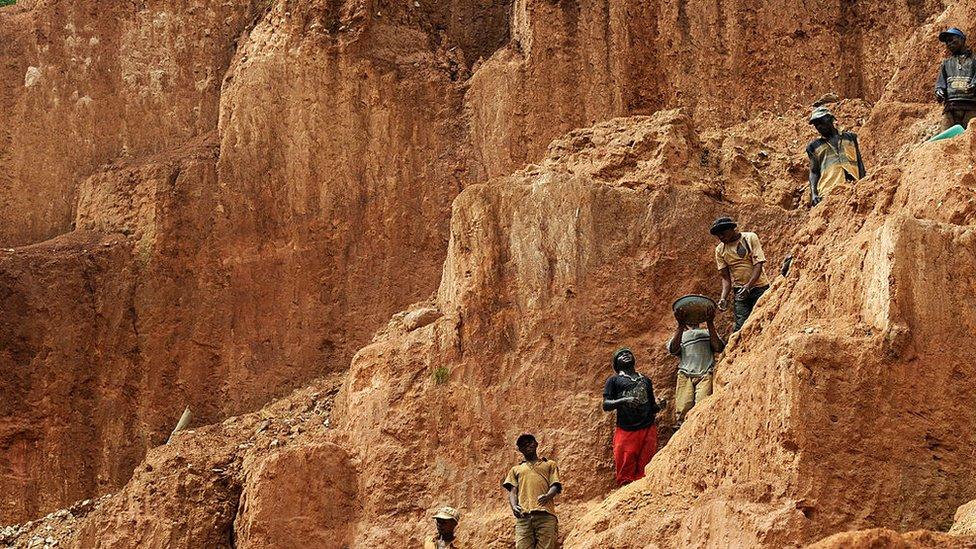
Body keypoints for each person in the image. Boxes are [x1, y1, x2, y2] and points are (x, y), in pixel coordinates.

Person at [602, 348, 660, 485]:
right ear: (616, 364)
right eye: (620, 355)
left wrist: (660, 405)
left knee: (646, 463)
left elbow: (652, 405)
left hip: (647, 427)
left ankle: (643, 490)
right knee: (625, 463)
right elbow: (606, 404)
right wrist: (624, 400)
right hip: (626, 429)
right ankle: (626, 492)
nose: (625, 355)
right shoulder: (614, 381)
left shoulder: (645, 380)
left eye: (628, 353)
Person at [502, 434, 562, 549]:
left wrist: (548, 495)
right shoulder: (516, 469)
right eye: (523, 445)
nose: (527, 445)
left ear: (536, 443)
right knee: (522, 546)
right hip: (524, 516)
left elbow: (555, 484)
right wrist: (514, 506)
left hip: (546, 514)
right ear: (520, 450)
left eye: (529, 442)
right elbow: (513, 492)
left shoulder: (549, 464)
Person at [668, 311, 725, 429]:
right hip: (685, 375)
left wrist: (710, 323)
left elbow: (718, 347)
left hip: (704, 374)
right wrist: (680, 326)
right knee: (683, 409)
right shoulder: (680, 336)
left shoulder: (706, 333)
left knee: (702, 410)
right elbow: (673, 349)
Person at [711, 217, 770, 332]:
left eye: (723, 233)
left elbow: (758, 264)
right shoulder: (720, 250)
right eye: (718, 236)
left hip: (760, 288)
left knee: (762, 321)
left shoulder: (749, 238)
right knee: (741, 326)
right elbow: (726, 278)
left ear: (732, 229)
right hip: (740, 290)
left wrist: (748, 286)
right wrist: (723, 298)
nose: (721, 238)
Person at [806, 106, 866, 206]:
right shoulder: (813, 147)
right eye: (816, 125)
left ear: (830, 119)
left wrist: (863, 182)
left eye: (821, 122)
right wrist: (814, 194)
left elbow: (859, 162)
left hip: (854, 189)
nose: (819, 126)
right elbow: (814, 171)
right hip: (828, 193)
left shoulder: (851, 138)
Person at [935, 27, 976, 131]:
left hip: (971, 106)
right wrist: (939, 91)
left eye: (951, 39)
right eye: (947, 42)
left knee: (970, 137)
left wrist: (974, 84)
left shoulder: (974, 60)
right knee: (945, 140)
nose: (949, 44)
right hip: (950, 108)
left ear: (962, 39)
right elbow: (941, 83)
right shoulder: (946, 63)